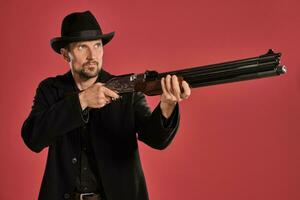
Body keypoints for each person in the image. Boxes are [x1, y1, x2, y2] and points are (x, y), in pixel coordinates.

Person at [21, 10, 191, 200]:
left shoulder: (127, 89)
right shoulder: (50, 89)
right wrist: (82, 100)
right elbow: (33, 138)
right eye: (81, 47)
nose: (92, 55)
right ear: (65, 54)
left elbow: (155, 139)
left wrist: (167, 105)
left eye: (97, 45)